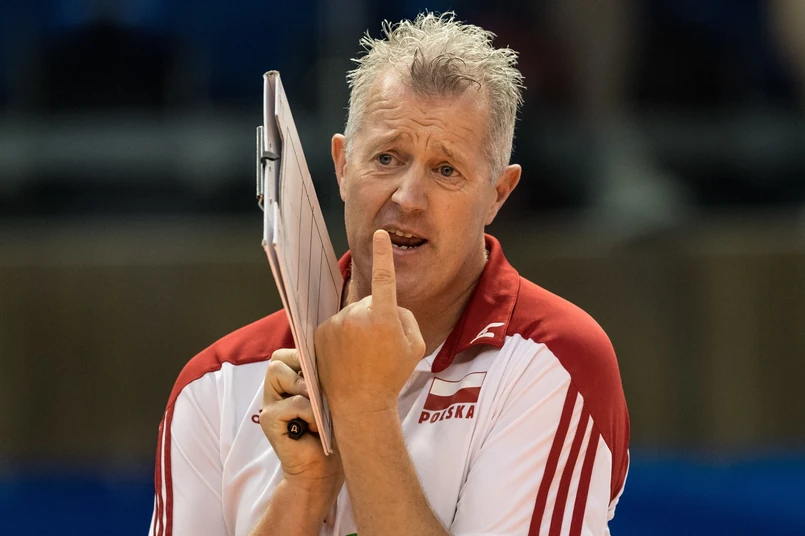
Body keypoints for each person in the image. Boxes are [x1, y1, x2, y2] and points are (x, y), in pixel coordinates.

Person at [149, 12, 629, 536]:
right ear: (341, 165)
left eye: (445, 169)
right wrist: (304, 491)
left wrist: (363, 412)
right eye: (387, 158)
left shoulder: (556, 360)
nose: (408, 197)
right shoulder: (215, 386)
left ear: (498, 194)